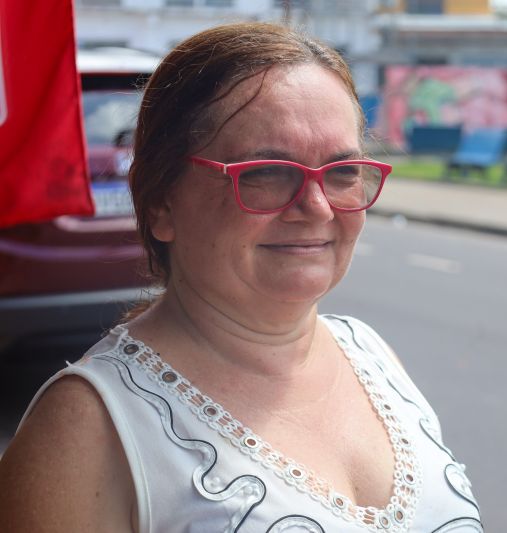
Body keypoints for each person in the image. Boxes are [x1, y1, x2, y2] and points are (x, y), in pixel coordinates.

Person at [0, 22, 481, 532]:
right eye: (266, 171)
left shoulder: (373, 356)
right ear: (162, 202)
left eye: (342, 171)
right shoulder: (86, 430)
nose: (316, 208)